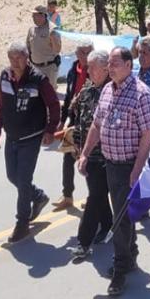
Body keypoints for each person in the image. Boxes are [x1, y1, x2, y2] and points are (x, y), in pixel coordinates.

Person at [78, 47, 150, 297]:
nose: (110, 68)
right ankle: (130, 254)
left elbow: (147, 134)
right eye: (108, 64)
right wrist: (85, 153)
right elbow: (97, 124)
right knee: (123, 216)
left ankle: (120, 269)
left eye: (114, 64)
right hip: (110, 164)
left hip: (129, 166)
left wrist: (137, 168)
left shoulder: (141, 93)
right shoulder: (108, 91)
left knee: (120, 220)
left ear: (129, 66)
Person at [0, 42, 58, 242]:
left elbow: (54, 105)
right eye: (12, 58)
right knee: (12, 176)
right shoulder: (5, 76)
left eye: (19, 58)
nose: (15, 62)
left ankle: (22, 224)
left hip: (31, 137)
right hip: (12, 136)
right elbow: (1, 105)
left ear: (27, 57)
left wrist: (50, 130)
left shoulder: (38, 79)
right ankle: (37, 196)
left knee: (22, 180)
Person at [70, 50, 113, 259]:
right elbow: (80, 121)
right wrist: (79, 149)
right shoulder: (86, 92)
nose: (88, 71)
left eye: (93, 67)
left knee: (95, 196)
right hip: (89, 155)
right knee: (98, 194)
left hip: (110, 156)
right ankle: (107, 225)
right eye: (88, 67)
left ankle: (83, 241)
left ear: (106, 68)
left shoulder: (114, 91)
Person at [55, 39, 94, 211]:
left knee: (88, 160)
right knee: (67, 157)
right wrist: (63, 120)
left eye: (88, 52)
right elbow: (69, 95)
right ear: (77, 53)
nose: (85, 56)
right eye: (82, 52)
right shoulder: (73, 69)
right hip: (74, 119)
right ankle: (67, 195)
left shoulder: (96, 70)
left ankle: (94, 196)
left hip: (89, 122)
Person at [26, 5, 62, 89]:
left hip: (49, 68)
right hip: (34, 67)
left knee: (49, 95)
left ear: (43, 15)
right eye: (33, 16)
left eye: (35, 16)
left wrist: (52, 37)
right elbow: (28, 47)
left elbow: (57, 49)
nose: (33, 18)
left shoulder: (53, 29)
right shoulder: (32, 29)